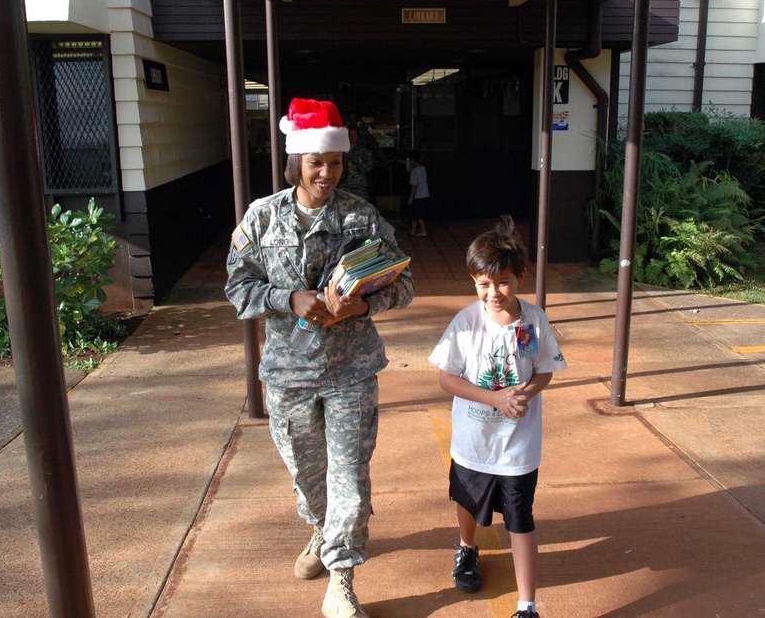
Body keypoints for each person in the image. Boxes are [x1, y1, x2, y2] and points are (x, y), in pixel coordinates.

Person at [225, 97, 414, 618]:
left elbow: (406, 284)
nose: (327, 173)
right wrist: (288, 299)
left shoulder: (361, 216)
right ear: (296, 163)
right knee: (309, 476)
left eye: (334, 163)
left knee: (348, 477)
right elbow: (238, 288)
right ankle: (319, 531)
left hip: (351, 372)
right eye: (316, 163)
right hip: (289, 375)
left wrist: (364, 303)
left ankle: (342, 577)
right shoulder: (262, 217)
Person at [427, 215, 566, 618]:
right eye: (483, 284)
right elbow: (446, 378)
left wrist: (524, 393)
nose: (493, 293)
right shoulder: (466, 323)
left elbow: (544, 371)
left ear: (521, 276)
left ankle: (527, 605)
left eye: (503, 282)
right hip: (473, 443)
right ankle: (466, 548)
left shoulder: (533, 321)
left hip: (518, 447)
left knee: (521, 518)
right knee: (468, 501)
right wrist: (494, 398)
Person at [338, 125, 374, 203]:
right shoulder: (341, 151)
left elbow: (370, 165)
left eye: (355, 135)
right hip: (344, 185)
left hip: (359, 186)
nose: (352, 137)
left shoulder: (363, 151)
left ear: (358, 136)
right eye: (350, 135)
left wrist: (358, 167)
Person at [407, 149, 429, 237]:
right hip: (425, 194)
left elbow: (414, 185)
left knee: (418, 215)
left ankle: (423, 231)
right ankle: (413, 230)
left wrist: (411, 197)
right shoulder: (422, 168)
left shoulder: (414, 171)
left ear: (412, 160)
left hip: (418, 196)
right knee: (416, 214)